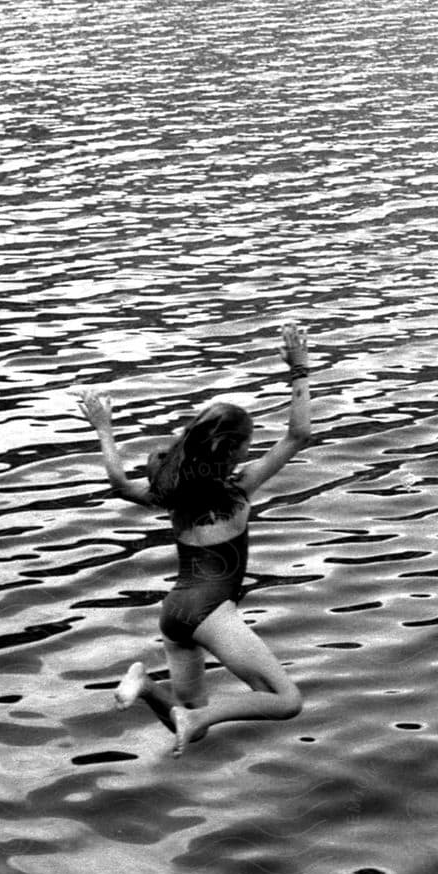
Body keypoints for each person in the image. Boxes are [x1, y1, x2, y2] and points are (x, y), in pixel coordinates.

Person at [76, 324, 313, 756]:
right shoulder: (240, 488)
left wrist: (104, 428)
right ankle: (197, 714)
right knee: (287, 701)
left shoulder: (170, 492)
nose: (251, 449)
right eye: (248, 443)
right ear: (231, 449)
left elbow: (118, 482)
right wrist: (299, 369)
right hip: (210, 611)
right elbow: (298, 435)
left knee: (191, 731)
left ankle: (147, 686)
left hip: (175, 615)